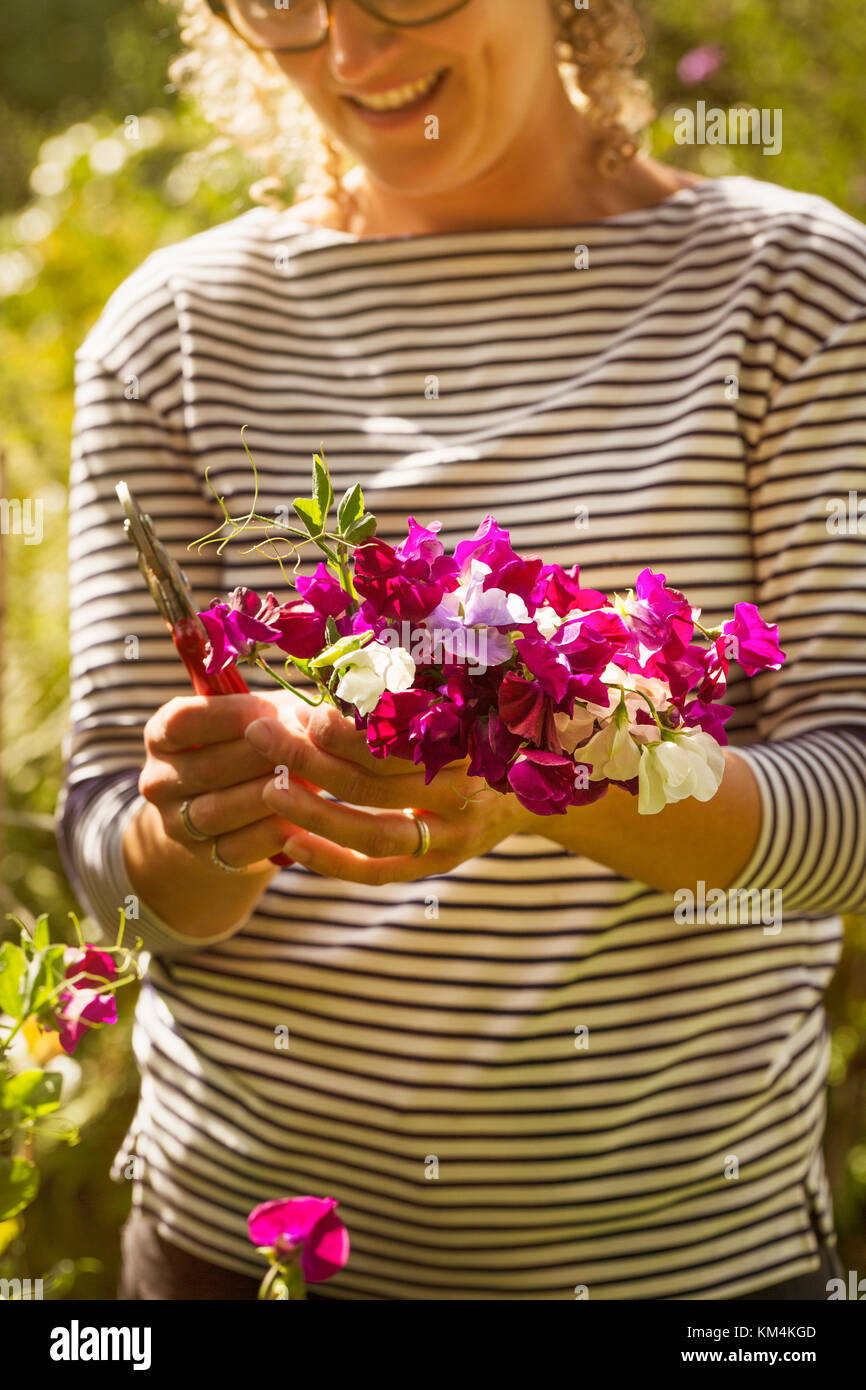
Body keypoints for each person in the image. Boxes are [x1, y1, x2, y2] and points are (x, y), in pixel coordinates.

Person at [57, 0, 866, 1300]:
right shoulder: (176, 334)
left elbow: (855, 813)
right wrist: (207, 821)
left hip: (686, 1274)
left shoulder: (795, 293)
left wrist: (546, 774)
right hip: (243, 1261)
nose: (354, 54)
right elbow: (114, 879)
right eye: (281, 4)